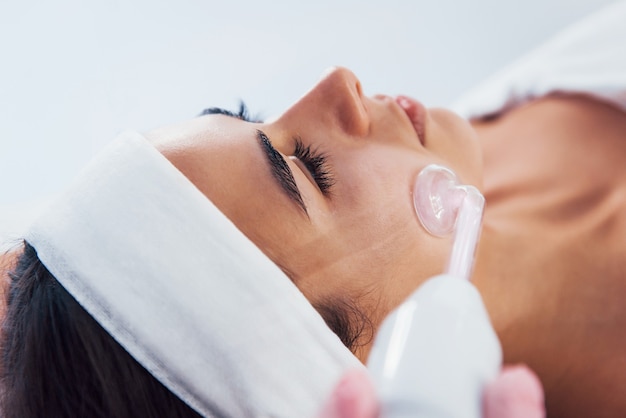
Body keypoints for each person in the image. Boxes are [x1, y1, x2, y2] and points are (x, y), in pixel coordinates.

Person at [3, 1, 626, 416]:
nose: (337, 82)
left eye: (253, 118)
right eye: (309, 169)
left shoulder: (456, 146)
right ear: (373, 367)